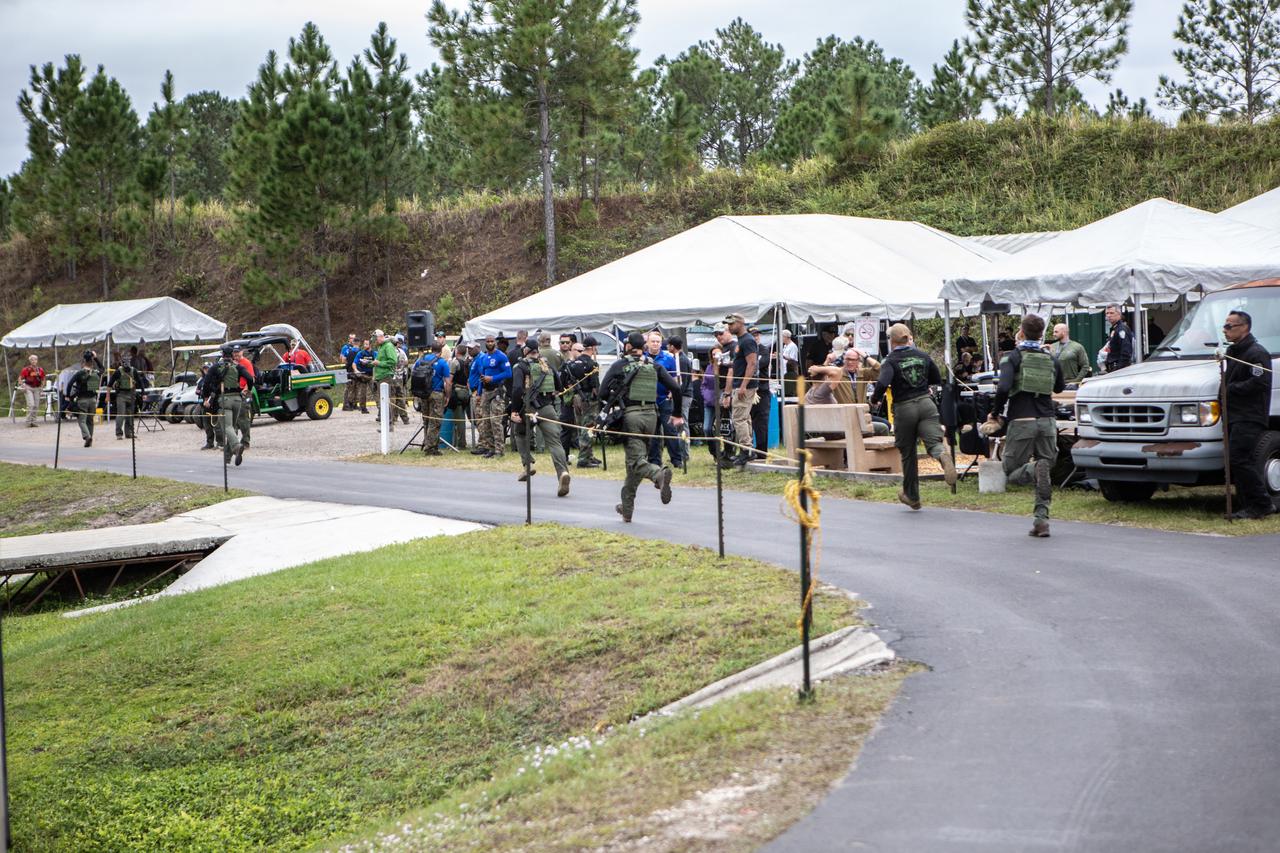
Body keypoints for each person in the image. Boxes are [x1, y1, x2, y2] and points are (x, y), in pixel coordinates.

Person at [986, 315, 1066, 537]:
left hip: (1022, 420)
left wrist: (995, 412)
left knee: (1011, 472)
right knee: (1046, 467)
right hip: (1047, 420)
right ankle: (1041, 520)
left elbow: (1003, 388)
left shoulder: (1012, 357)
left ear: (1021, 332)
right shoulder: (1051, 359)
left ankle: (1033, 469)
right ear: (1042, 334)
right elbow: (1059, 387)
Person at [597, 332, 684, 522]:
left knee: (636, 462)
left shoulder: (620, 365)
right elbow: (676, 388)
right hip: (652, 416)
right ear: (643, 347)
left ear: (628, 346)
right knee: (634, 462)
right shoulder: (653, 365)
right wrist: (677, 414)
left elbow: (602, 392)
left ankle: (658, 474)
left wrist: (616, 398)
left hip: (632, 416)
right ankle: (626, 509)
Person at [871, 324, 956, 510]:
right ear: (908, 337)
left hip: (904, 407)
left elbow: (883, 382)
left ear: (891, 341)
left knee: (908, 452)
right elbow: (936, 377)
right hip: (926, 403)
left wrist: (875, 399)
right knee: (934, 443)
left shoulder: (890, 360)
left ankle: (912, 495)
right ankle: (942, 456)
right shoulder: (923, 356)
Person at [1221, 310, 1276, 519]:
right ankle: (1248, 504)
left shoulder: (1256, 353)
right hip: (1234, 414)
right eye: (1225, 326)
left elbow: (1258, 382)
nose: (1225, 330)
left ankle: (1262, 503)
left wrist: (1231, 389)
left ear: (1244, 327)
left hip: (1249, 415)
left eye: (1229, 326)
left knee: (1240, 459)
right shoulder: (1234, 352)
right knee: (1236, 460)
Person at [509, 338, 572, 497]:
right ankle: (563, 472)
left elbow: (517, 390)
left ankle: (528, 464)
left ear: (525, 351)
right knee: (555, 442)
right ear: (537, 351)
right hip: (548, 408)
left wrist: (515, 411)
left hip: (529, 410)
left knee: (520, 433)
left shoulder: (520, 366)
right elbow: (559, 386)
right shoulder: (547, 366)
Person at [721, 313, 758, 470]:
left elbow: (752, 364)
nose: (729, 327)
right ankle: (748, 448)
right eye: (728, 324)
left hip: (745, 386)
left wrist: (743, 385)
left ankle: (746, 450)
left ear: (741, 323)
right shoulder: (741, 340)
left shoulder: (748, 340)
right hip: (741, 384)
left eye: (732, 324)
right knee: (745, 418)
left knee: (739, 419)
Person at [207, 344, 254, 466]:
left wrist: (206, 397)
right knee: (231, 429)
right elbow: (250, 378)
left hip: (224, 399)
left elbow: (206, 383)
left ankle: (237, 446)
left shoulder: (216, 367)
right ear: (232, 355)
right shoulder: (238, 366)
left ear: (222, 355)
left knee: (227, 428)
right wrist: (247, 389)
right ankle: (227, 458)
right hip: (238, 399)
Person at [646, 330, 684, 469]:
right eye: (653, 341)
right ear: (647, 343)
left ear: (661, 343)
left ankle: (677, 460)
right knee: (653, 432)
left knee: (670, 430)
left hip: (665, 400)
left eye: (658, 341)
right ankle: (655, 460)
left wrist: (671, 394)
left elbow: (675, 379)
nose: (655, 344)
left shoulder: (669, 359)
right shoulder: (642, 358)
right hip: (649, 401)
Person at [473, 334, 512, 458]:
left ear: (495, 342)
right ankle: (490, 448)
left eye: (491, 341)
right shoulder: (484, 357)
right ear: (485, 343)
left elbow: (508, 373)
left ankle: (499, 450)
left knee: (496, 421)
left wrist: (493, 378)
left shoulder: (501, 356)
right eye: (487, 341)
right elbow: (482, 376)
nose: (490, 343)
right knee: (486, 421)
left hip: (497, 391)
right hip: (485, 391)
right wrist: (479, 393)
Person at [567, 338, 602, 467]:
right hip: (588, 399)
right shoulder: (592, 364)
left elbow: (568, 382)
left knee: (581, 426)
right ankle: (584, 459)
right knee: (589, 427)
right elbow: (595, 387)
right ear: (592, 348)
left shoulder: (573, 363)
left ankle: (589, 455)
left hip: (576, 398)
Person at [412, 342, 452, 455]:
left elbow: (414, 373)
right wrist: (448, 396)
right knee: (435, 421)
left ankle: (429, 443)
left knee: (427, 420)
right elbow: (448, 382)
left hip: (424, 393)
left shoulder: (422, 360)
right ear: (441, 351)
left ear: (431, 349)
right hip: (437, 394)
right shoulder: (442, 362)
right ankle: (430, 448)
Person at [67, 351, 103, 447]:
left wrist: (67, 395)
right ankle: (90, 437)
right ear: (92, 362)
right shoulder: (96, 373)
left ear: (83, 361)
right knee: (90, 421)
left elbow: (70, 384)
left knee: (82, 421)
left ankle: (87, 437)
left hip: (82, 400)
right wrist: (96, 358)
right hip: (93, 400)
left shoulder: (80, 373)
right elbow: (102, 368)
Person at [108, 355, 147, 439]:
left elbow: (140, 382)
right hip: (121, 395)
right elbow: (110, 384)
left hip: (131, 394)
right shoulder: (118, 372)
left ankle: (129, 433)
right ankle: (119, 434)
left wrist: (143, 393)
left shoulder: (133, 371)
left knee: (130, 415)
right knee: (121, 415)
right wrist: (107, 396)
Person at [750, 326, 773, 459]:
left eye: (757, 334)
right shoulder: (746, 350)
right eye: (753, 335)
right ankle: (748, 449)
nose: (756, 337)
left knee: (761, 422)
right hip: (749, 390)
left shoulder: (763, 350)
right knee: (748, 421)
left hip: (762, 390)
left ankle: (762, 451)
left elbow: (761, 363)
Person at [372, 330, 401, 431]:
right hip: (381, 376)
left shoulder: (388, 346)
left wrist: (379, 363)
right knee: (383, 401)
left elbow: (393, 361)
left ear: (380, 337)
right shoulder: (381, 347)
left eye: (376, 339)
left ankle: (389, 424)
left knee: (386, 401)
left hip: (386, 377)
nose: (375, 341)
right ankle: (386, 424)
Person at [447, 343, 473, 450]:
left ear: (457, 351)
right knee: (469, 417)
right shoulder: (468, 362)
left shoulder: (455, 362)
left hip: (458, 392)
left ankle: (461, 443)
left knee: (459, 420)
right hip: (467, 392)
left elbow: (450, 380)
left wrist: (447, 395)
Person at [195, 361, 223, 450]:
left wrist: (209, 398)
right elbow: (198, 390)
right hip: (204, 404)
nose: (206, 370)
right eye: (204, 368)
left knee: (217, 425)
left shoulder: (215, 378)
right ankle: (209, 443)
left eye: (207, 368)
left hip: (215, 404)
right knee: (207, 426)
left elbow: (217, 391)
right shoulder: (201, 380)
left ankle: (220, 443)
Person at [234, 344, 256, 450]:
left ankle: (246, 441)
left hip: (244, 391)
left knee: (244, 419)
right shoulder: (233, 363)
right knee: (234, 418)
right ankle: (233, 442)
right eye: (234, 352)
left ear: (242, 352)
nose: (236, 354)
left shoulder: (246, 363)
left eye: (238, 352)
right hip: (235, 392)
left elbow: (251, 378)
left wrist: (245, 390)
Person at [1103, 304, 1134, 372]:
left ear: (1119, 314)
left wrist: (1118, 369)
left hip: (1119, 369)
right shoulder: (1115, 329)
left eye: (1112, 313)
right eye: (1107, 313)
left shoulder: (1121, 329)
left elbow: (1126, 352)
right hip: (1113, 367)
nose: (1108, 315)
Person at [18, 354, 45, 427]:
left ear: (37, 360)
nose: (34, 361)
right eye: (32, 360)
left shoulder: (40, 370)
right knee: (31, 404)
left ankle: (34, 421)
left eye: (35, 359)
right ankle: (28, 421)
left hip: (37, 388)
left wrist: (42, 388)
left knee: (36, 405)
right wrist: (22, 386)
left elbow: (43, 379)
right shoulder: (26, 369)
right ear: (30, 361)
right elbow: (20, 378)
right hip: (28, 387)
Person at [351, 338, 374, 413]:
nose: (365, 345)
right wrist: (356, 370)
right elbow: (354, 364)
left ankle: (380, 408)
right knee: (362, 393)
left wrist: (371, 363)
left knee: (375, 392)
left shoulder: (375, 353)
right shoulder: (360, 353)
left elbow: (378, 362)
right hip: (363, 376)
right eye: (364, 344)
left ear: (370, 345)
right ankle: (363, 408)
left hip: (371, 376)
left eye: (366, 344)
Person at [340, 333, 359, 410]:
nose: (353, 340)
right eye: (351, 338)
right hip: (348, 369)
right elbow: (342, 359)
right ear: (349, 339)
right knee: (348, 387)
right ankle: (346, 404)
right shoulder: (346, 347)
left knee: (355, 387)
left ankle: (354, 403)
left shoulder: (356, 348)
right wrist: (348, 363)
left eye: (354, 338)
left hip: (355, 369)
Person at [780, 329, 800, 399]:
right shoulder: (785, 346)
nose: (781, 339)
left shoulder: (793, 346)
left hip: (790, 370)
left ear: (786, 337)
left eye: (782, 337)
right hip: (784, 370)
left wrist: (782, 356)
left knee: (791, 385)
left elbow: (793, 359)